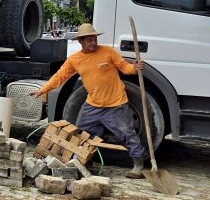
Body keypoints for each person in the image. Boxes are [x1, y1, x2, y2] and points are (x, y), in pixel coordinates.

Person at [31, 23, 147, 179]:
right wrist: (43, 90)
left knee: (127, 134)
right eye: (89, 40)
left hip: (116, 104)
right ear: (81, 42)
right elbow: (60, 76)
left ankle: (138, 165)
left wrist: (135, 68)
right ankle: (85, 161)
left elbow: (125, 67)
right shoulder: (75, 59)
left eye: (94, 39)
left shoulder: (108, 52)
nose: (93, 43)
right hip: (92, 106)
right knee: (82, 135)